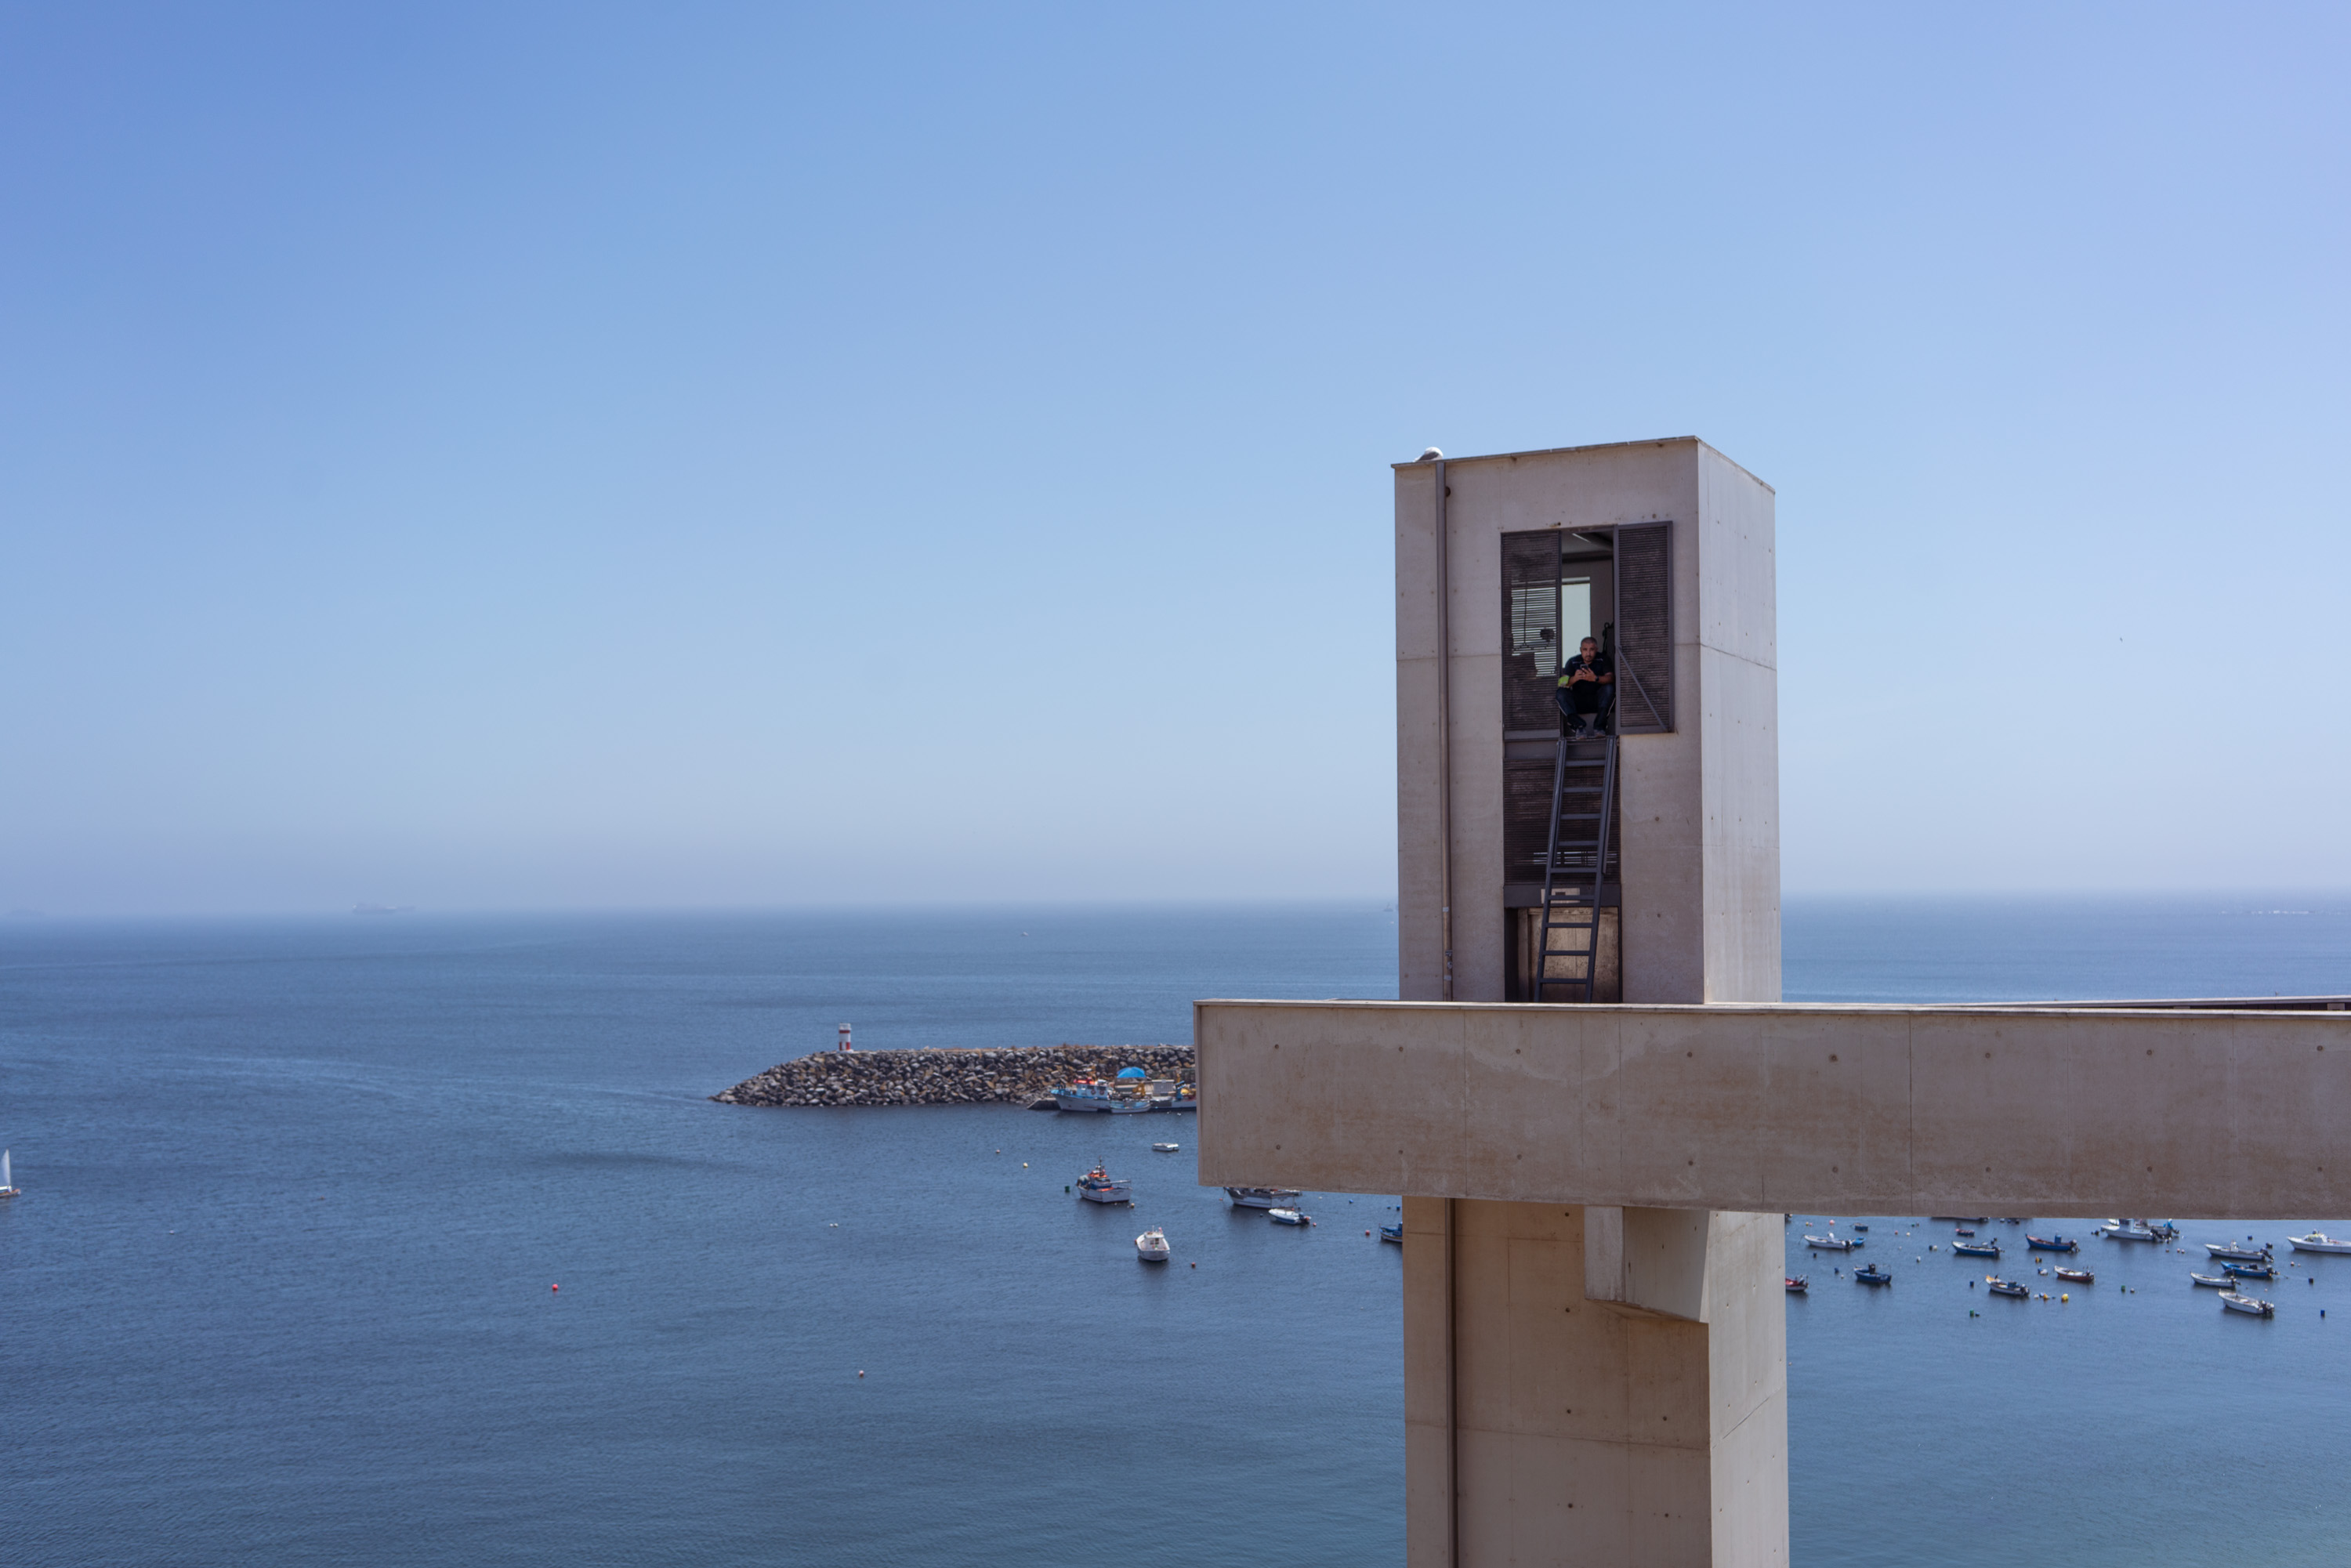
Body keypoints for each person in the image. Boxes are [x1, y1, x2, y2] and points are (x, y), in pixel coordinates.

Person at [1556, 636, 1613, 737]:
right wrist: (1574, 678)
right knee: (1561, 693)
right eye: (1585, 650)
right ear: (1580, 650)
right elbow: (1561, 682)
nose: (1588, 653)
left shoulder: (1603, 659)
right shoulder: (1573, 662)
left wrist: (1595, 678)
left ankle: (1600, 727)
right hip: (1578, 702)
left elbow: (1611, 678)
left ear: (1597, 650)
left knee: (1609, 689)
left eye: (1592, 650)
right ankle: (1579, 726)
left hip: (1597, 701)